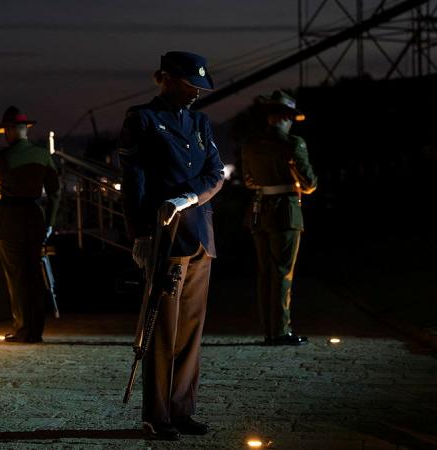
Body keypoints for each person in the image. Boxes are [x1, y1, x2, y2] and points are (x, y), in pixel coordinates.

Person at [118, 51, 225, 440]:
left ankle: (182, 410)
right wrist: (140, 235)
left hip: (200, 235)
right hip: (165, 236)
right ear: (163, 78)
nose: (196, 92)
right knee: (161, 331)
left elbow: (215, 173)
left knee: (190, 333)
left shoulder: (200, 121)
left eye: (199, 86)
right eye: (188, 84)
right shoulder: (142, 119)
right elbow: (134, 180)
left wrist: (189, 198)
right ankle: (157, 415)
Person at [241, 90, 317, 346]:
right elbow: (309, 183)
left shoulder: (250, 144)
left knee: (265, 274)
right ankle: (281, 331)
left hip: (259, 212)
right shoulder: (292, 143)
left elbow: (249, 181)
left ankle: (269, 330)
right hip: (285, 213)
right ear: (286, 116)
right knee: (283, 273)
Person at [0, 106, 60, 343]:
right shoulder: (42, 155)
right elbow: (55, 193)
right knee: (34, 275)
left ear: (9, 131)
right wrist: (49, 223)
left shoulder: (1, 157)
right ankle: (36, 330)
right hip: (35, 218)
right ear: (26, 129)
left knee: (16, 278)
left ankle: (22, 329)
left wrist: (8, 193)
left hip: (10, 220)